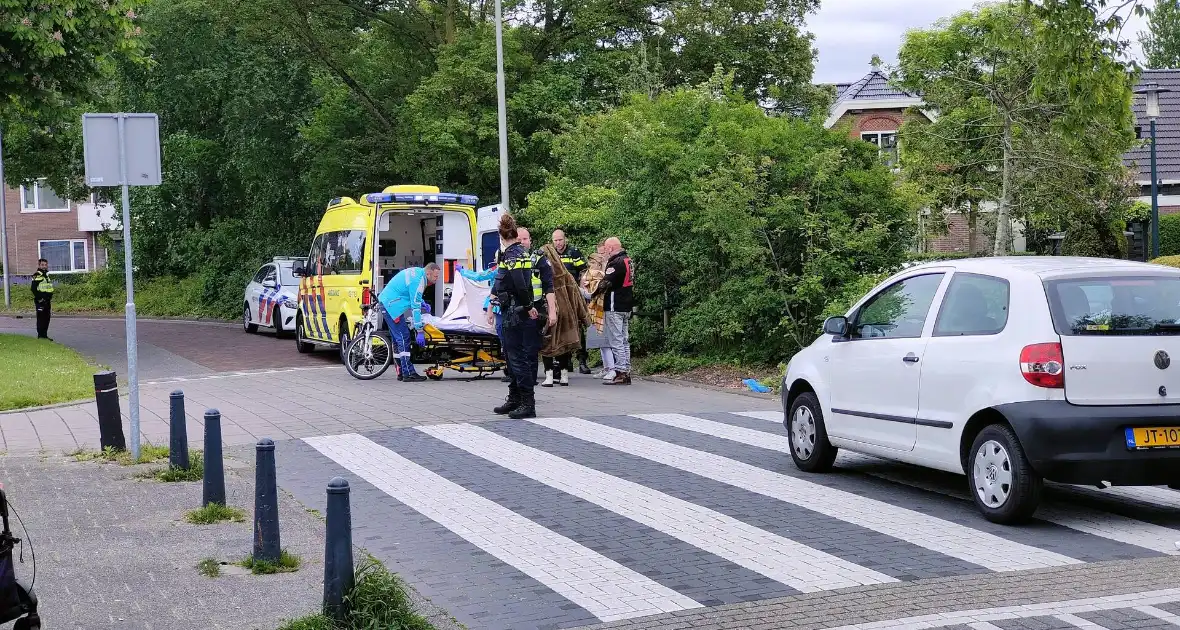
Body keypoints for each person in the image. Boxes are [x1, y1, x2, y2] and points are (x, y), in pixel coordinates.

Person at [492, 215, 556, 418]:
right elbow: (500, 282)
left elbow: (520, 284)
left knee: (518, 359)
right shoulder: (515, 254)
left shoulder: (512, 255)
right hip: (513, 309)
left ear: (502, 236)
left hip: (516, 312)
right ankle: (515, 398)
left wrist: (528, 306)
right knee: (512, 359)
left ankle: (527, 403)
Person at [539, 241, 591, 387]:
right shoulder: (566, 275)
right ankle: (564, 376)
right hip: (567, 313)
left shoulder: (544, 274)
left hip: (550, 311)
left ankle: (549, 377)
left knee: (547, 343)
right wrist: (583, 316)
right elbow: (577, 296)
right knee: (563, 344)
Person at [377, 263, 441, 382]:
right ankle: (408, 373)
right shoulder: (419, 281)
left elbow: (411, 293)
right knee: (404, 337)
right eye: (435, 276)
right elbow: (415, 308)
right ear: (428, 273)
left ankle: (401, 371)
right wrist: (419, 330)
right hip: (392, 306)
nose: (437, 279)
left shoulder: (417, 273)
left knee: (397, 340)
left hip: (388, 303)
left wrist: (421, 301)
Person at [593, 237, 633, 385]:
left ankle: (621, 371)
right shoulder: (628, 260)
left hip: (614, 306)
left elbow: (605, 284)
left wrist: (592, 291)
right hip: (627, 305)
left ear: (610, 248)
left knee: (616, 340)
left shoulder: (615, 263)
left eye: (606, 248)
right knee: (624, 339)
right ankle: (626, 369)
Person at [581, 241, 614, 377]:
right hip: (596, 308)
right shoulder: (595, 274)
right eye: (599, 253)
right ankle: (607, 368)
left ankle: (612, 368)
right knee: (601, 341)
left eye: (602, 253)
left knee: (607, 341)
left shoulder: (606, 272)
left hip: (605, 308)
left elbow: (593, 293)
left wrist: (581, 290)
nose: (601, 256)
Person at [30, 259, 54, 340]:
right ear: (39, 265)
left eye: (45, 265)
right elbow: (33, 289)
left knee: (47, 318)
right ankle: (40, 336)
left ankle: (45, 336)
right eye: (42, 265)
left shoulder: (46, 275)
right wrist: (40, 299)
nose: (44, 266)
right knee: (41, 319)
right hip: (40, 301)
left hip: (47, 301)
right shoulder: (37, 275)